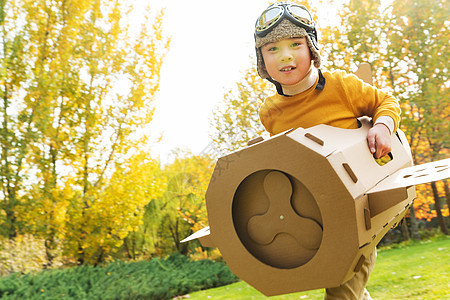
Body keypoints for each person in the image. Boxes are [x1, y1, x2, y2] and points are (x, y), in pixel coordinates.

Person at [254, 2, 401, 300]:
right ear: (262, 61)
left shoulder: (342, 86)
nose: (285, 56)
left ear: (311, 49)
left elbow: (386, 102)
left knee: (341, 291)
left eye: (295, 44)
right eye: (272, 49)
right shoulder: (269, 112)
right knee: (343, 285)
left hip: (360, 211)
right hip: (316, 215)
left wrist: (383, 126)